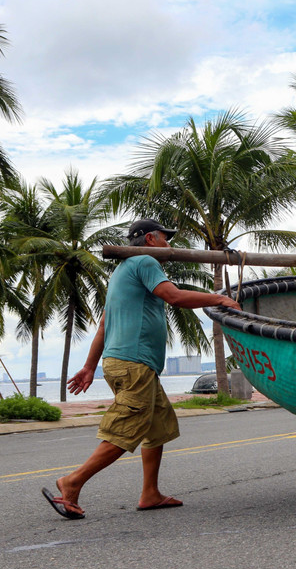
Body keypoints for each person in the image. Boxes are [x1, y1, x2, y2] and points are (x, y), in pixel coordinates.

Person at [41, 219, 241, 520]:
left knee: (157, 425)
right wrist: (219, 298)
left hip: (123, 362)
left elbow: (104, 326)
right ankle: (71, 483)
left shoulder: (121, 272)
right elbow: (173, 297)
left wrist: (89, 367)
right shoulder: (145, 262)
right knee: (126, 429)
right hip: (133, 364)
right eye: (165, 238)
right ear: (150, 239)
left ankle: (150, 493)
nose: (169, 244)